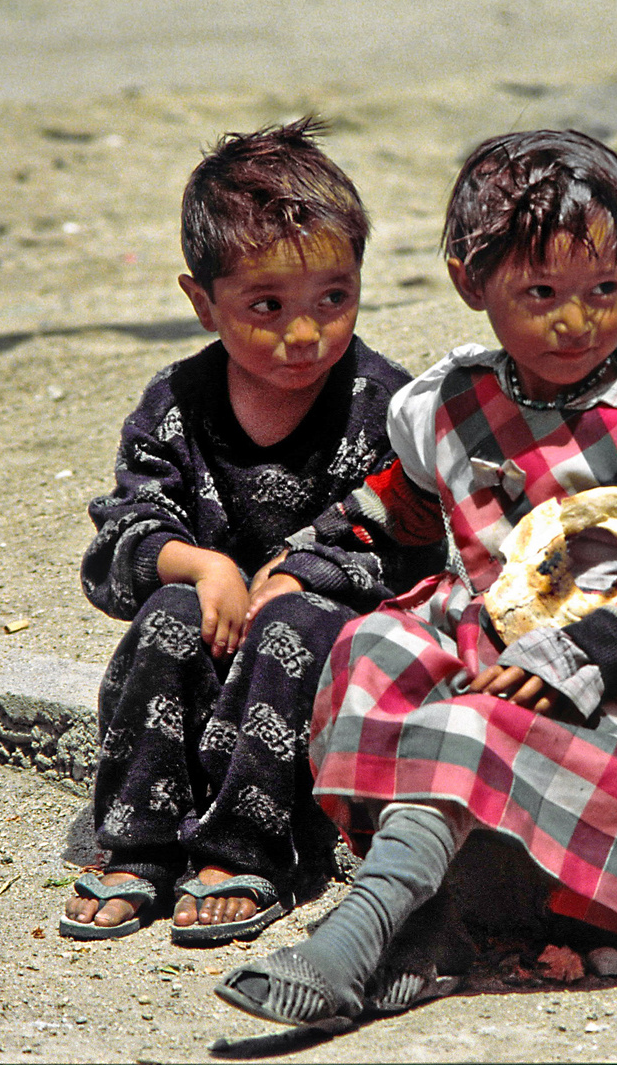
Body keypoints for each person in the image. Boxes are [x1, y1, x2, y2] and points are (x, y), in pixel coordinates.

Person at [214, 128, 617, 1023]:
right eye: (541, 292)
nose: (576, 320)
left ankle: (364, 928)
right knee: (374, 648)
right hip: (478, 629)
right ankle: (423, 933)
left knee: (474, 721)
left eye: (604, 290)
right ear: (474, 284)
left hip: (614, 666)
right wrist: (300, 560)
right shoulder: (455, 404)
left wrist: (569, 658)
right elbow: (405, 506)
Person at [61, 117, 440, 946]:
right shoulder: (176, 403)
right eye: (266, 306)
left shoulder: (384, 407)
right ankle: (141, 842)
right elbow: (120, 533)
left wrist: (303, 572)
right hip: (208, 625)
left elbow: (412, 539)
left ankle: (251, 848)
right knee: (166, 613)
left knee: (290, 624)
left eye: (332, 299)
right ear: (203, 302)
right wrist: (199, 565)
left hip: (319, 645)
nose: (303, 335)